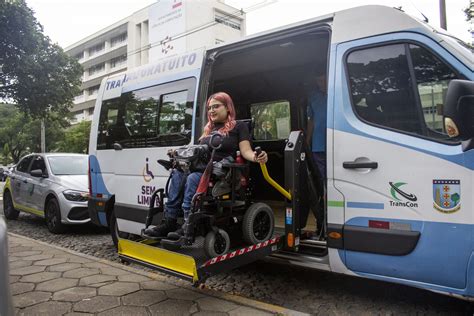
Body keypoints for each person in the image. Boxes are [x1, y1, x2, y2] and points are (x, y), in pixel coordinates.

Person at [144, 92, 268, 238]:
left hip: (220, 172)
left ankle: (187, 224)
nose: (211, 111)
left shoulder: (239, 127)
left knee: (192, 178)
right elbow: (197, 151)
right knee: (177, 174)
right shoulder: (208, 129)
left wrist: (257, 157)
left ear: (228, 107)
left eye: (216, 106)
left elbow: (246, 151)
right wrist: (177, 153)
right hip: (202, 168)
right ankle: (169, 221)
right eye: (209, 108)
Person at [306, 74, 327, 181]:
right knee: (321, 177)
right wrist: (307, 141)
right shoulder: (313, 97)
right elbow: (311, 120)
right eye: (319, 81)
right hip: (317, 145)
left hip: (336, 143)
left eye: (324, 80)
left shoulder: (338, 94)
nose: (322, 84)